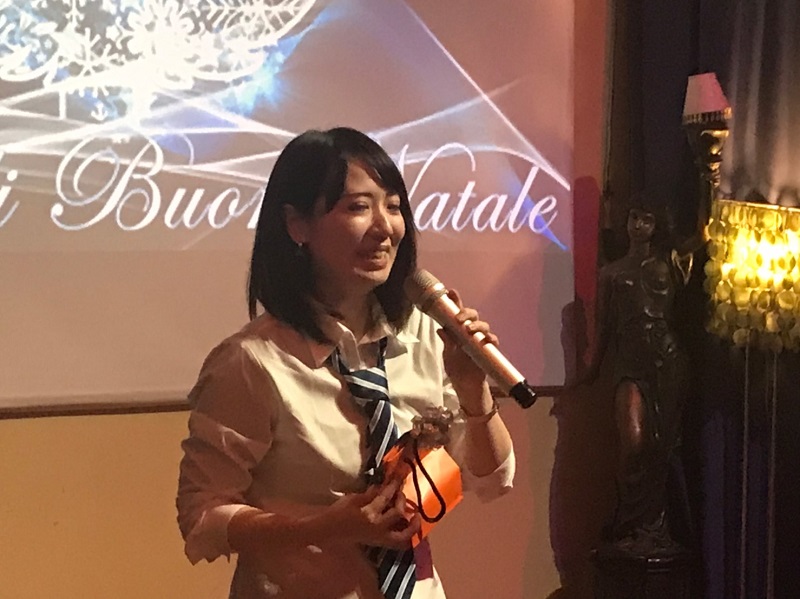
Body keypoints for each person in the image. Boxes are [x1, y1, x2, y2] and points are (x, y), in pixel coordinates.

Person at [176, 127, 515, 599]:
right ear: (297, 226)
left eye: (393, 206)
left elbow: (491, 478)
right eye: (358, 207)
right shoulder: (252, 363)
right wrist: (320, 528)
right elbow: (202, 516)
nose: (385, 227)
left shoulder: (424, 333)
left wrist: (475, 392)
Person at [580, 203, 701, 554]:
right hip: (629, 363)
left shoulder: (671, 261)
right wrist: (591, 370)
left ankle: (654, 527)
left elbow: (704, 233)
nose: (638, 225)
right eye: (634, 217)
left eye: (647, 219)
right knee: (632, 443)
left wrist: (709, 179)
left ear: (657, 225)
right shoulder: (612, 273)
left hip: (668, 359)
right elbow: (604, 328)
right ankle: (628, 522)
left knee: (661, 446)